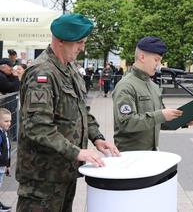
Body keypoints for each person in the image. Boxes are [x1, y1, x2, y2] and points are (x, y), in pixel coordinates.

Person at [16, 13, 120, 212]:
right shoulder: (42, 73)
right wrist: (78, 152)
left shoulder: (69, 68)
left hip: (64, 172)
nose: (82, 47)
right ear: (60, 41)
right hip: (42, 177)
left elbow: (81, 110)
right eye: (79, 42)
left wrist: (97, 138)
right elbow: (37, 127)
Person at [112, 36, 183, 151]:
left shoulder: (154, 86)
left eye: (160, 60)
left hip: (151, 155)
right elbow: (126, 123)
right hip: (130, 157)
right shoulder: (126, 86)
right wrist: (161, 115)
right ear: (142, 57)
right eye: (156, 60)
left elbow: (159, 121)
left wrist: (183, 120)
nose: (159, 65)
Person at [0, 108, 12, 212]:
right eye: (6, 121)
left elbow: (7, 150)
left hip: (3, 166)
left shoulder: (5, 133)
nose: (9, 123)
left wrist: (8, 165)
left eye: (10, 121)